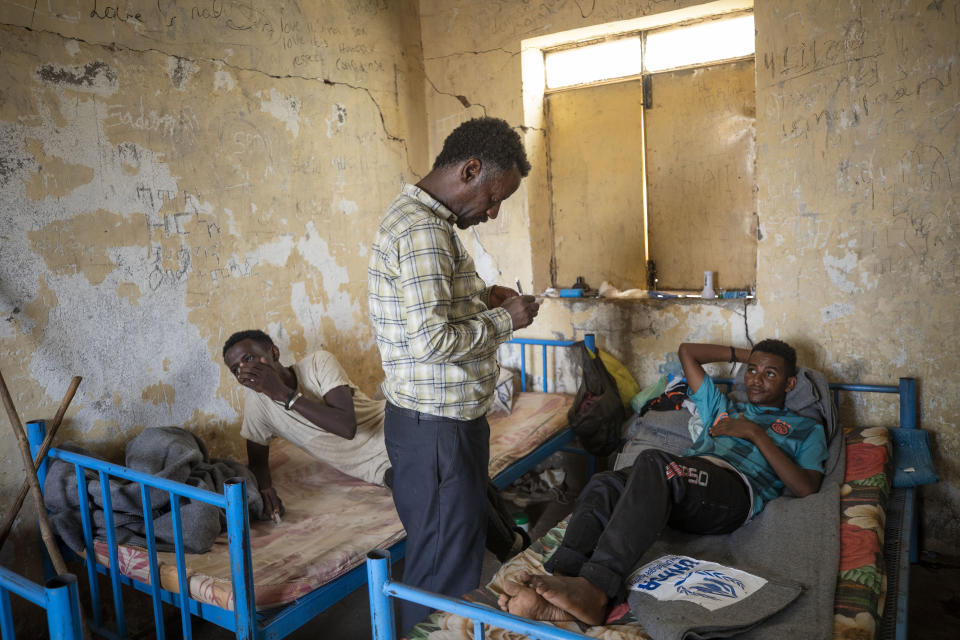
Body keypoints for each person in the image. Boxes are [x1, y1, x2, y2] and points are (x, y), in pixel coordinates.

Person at [498, 339, 828, 626]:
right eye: (753, 370)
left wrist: (755, 433)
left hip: (734, 492)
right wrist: (753, 355)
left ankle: (596, 589)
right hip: (687, 480)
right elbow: (688, 352)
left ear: (790, 384)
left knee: (656, 464)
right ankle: (564, 580)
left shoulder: (805, 428)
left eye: (771, 373)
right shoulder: (723, 408)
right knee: (605, 483)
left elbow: (807, 487)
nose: (756, 380)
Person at [367, 116, 541, 632]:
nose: (493, 212)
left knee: (440, 558)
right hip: (437, 430)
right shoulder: (424, 232)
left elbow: (433, 310)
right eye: (494, 197)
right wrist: (505, 319)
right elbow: (432, 341)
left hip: (435, 426)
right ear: (469, 170)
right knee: (442, 576)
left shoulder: (426, 223)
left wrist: (484, 298)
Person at [221, 329, 529, 560]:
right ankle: (514, 548)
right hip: (378, 463)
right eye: (235, 369)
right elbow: (258, 457)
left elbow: (346, 426)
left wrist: (284, 395)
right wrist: (264, 487)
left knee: (460, 463)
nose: (244, 371)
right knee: (441, 485)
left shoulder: (317, 363)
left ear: (273, 352)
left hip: (399, 427)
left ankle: (513, 550)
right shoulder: (257, 407)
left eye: (249, 358)